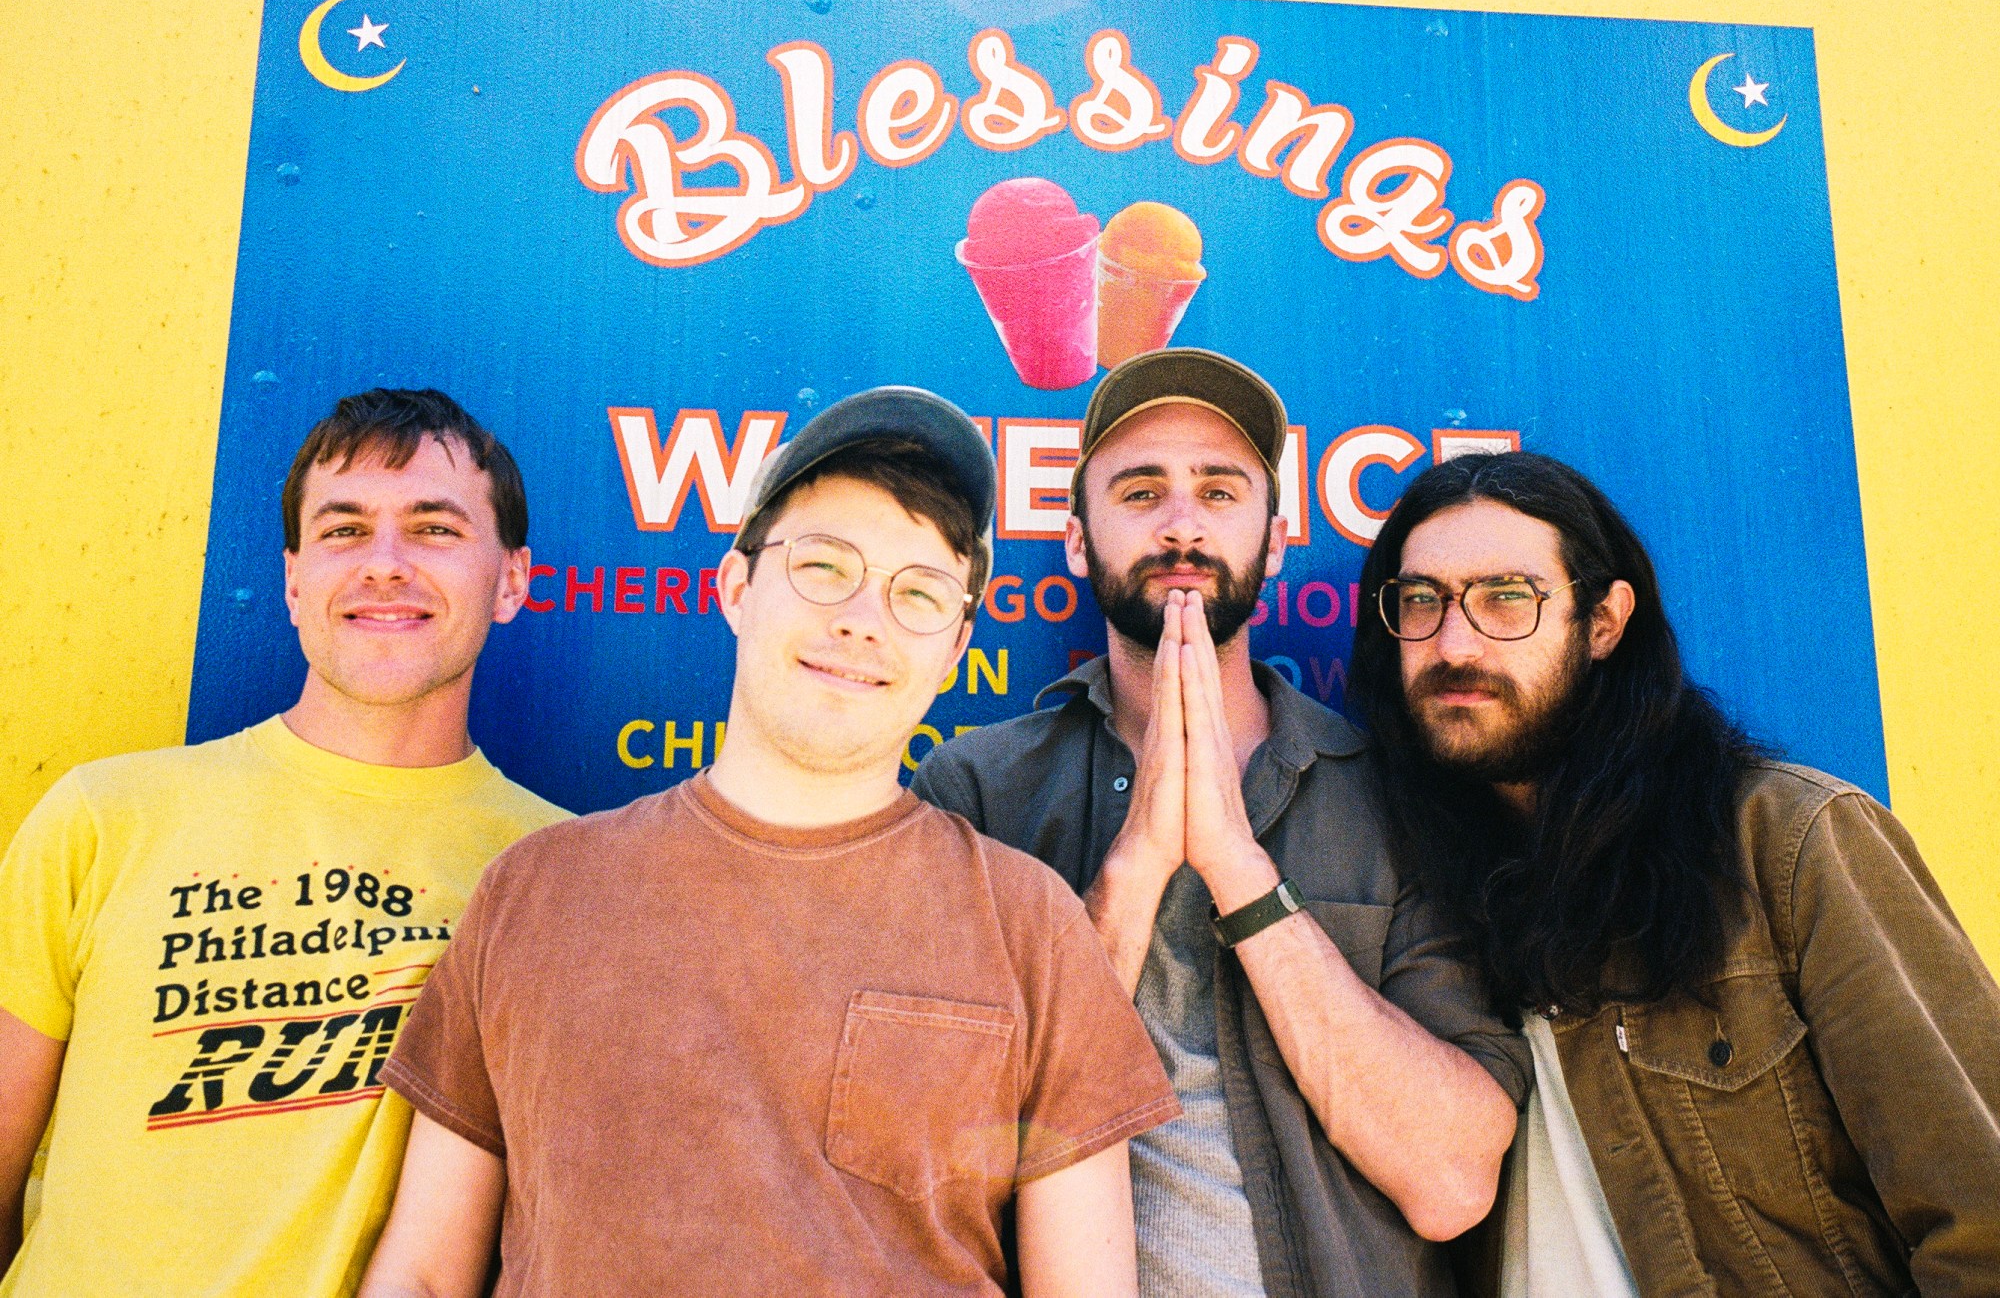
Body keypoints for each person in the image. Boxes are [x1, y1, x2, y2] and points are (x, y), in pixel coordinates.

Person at [359, 386, 1178, 1298]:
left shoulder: (1029, 926)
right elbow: (423, 1272)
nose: (862, 619)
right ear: (737, 588)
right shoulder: (533, 891)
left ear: (955, 649)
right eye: (824, 567)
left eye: (918, 592)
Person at [914, 349, 1528, 1298]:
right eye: (1140, 492)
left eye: (1218, 491)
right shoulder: (979, 793)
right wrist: (1134, 869)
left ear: (1274, 542)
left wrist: (1239, 868)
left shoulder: (1397, 797)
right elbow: (942, 1156)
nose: (1182, 525)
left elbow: (1450, 1182)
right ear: (1077, 541)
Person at [1344, 448, 2000, 1297]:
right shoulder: (1411, 889)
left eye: (1507, 597)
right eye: (1422, 601)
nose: (1454, 643)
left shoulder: (1786, 842)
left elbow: (1981, 1216)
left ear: (1604, 622)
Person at [0, 388, 564, 1297]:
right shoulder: (103, 818)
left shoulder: (557, 874)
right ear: (294, 581)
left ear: (511, 580)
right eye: (345, 530)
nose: (385, 564)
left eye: (434, 529)